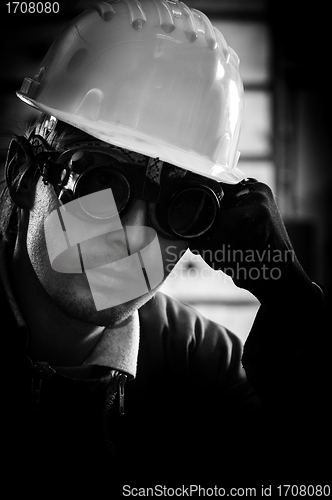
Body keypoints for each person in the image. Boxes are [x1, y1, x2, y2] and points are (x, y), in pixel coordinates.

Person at [1, 0, 330, 493]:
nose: (136, 238)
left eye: (181, 205)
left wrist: (298, 319)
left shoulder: (206, 365)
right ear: (24, 175)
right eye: (101, 184)